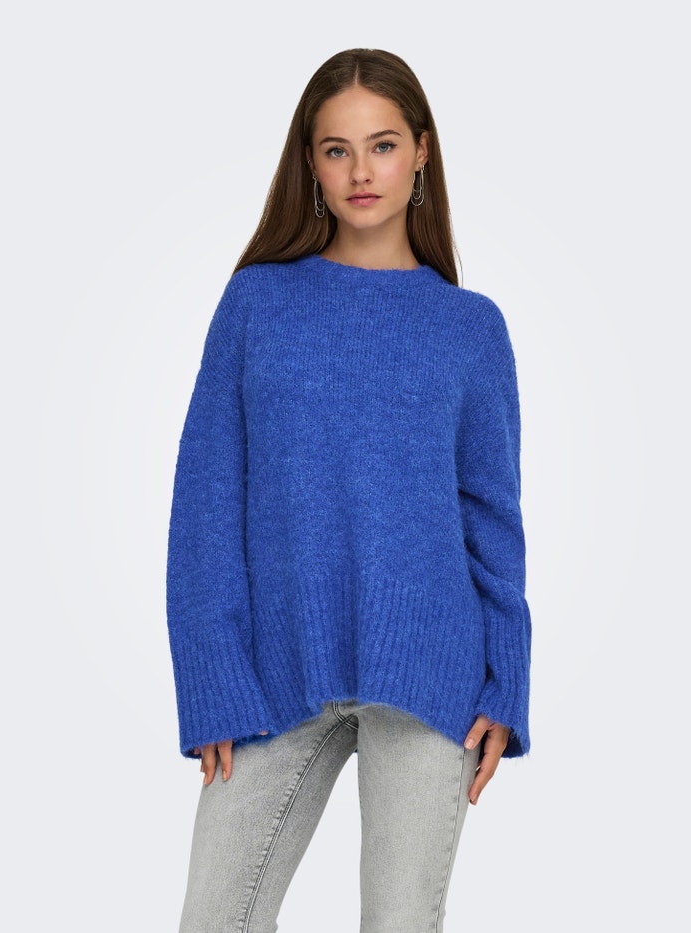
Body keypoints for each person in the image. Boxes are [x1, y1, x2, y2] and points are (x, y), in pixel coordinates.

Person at [166, 47, 531, 933]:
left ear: (422, 152)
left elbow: (492, 517)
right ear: (312, 164)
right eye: (337, 149)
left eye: (383, 145)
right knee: (215, 918)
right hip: (274, 670)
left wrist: (508, 680)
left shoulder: (470, 328)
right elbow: (205, 502)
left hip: (434, 670)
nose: (361, 171)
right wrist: (211, 676)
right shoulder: (256, 305)